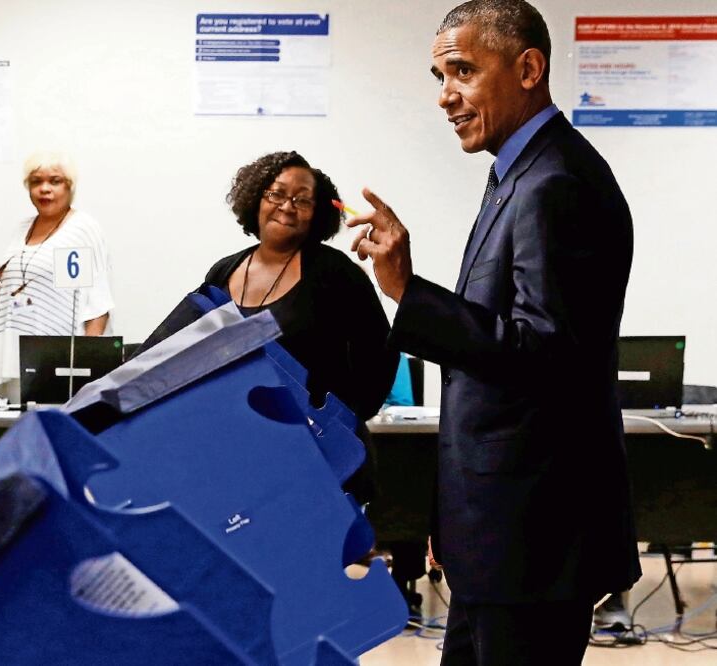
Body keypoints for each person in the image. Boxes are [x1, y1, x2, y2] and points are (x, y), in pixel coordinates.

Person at [348, 1, 641, 663]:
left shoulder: (555, 182)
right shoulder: (519, 172)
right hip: (499, 532)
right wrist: (451, 518)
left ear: (528, 68)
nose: (445, 96)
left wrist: (407, 292)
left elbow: (543, 353)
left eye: (462, 71)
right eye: (439, 76)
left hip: (532, 539)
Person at [204, 151, 399, 504]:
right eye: (276, 194)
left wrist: (343, 421)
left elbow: (381, 352)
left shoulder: (335, 273)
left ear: (318, 213)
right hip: (245, 458)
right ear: (256, 199)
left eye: (302, 200)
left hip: (322, 461)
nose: (287, 206)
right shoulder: (222, 272)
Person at [0, 152, 113, 403]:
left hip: (60, 366)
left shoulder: (80, 230)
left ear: (70, 186)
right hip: (15, 359)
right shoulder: (22, 228)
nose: (44, 189)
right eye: (36, 182)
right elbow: (17, 304)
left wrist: (84, 371)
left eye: (55, 181)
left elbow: (98, 307)